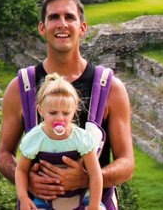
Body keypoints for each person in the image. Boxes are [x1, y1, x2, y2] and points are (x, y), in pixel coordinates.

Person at [0, 0, 134, 209]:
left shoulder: (110, 89)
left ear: (82, 28)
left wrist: (85, 178)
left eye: (70, 17)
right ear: (42, 28)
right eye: (53, 17)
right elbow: (4, 153)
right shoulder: (20, 88)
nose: (62, 24)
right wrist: (25, 179)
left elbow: (127, 165)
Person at [15, 73, 102, 210]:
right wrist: (24, 198)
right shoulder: (34, 139)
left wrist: (94, 205)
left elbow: (95, 174)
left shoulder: (81, 138)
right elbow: (21, 170)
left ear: (75, 111)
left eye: (66, 113)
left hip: (82, 196)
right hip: (45, 199)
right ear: (41, 110)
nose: (60, 118)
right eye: (53, 113)